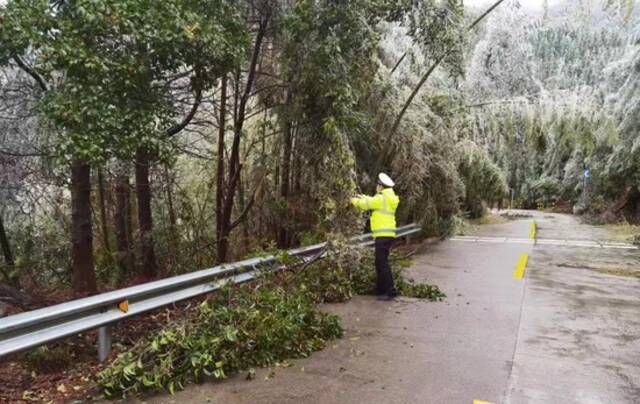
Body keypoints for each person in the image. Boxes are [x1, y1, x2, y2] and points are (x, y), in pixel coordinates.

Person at [351, 173, 399, 301]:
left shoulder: (381, 198)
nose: (377, 187)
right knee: (380, 262)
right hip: (388, 234)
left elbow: (366, 204)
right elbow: (372, 200)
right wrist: (362, 196)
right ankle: (381, 289)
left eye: (378, 185)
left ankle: (389, 291)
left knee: (382, 263)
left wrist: (352, 200)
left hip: (383, 235)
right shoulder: (388, 197)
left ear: (381, 186)